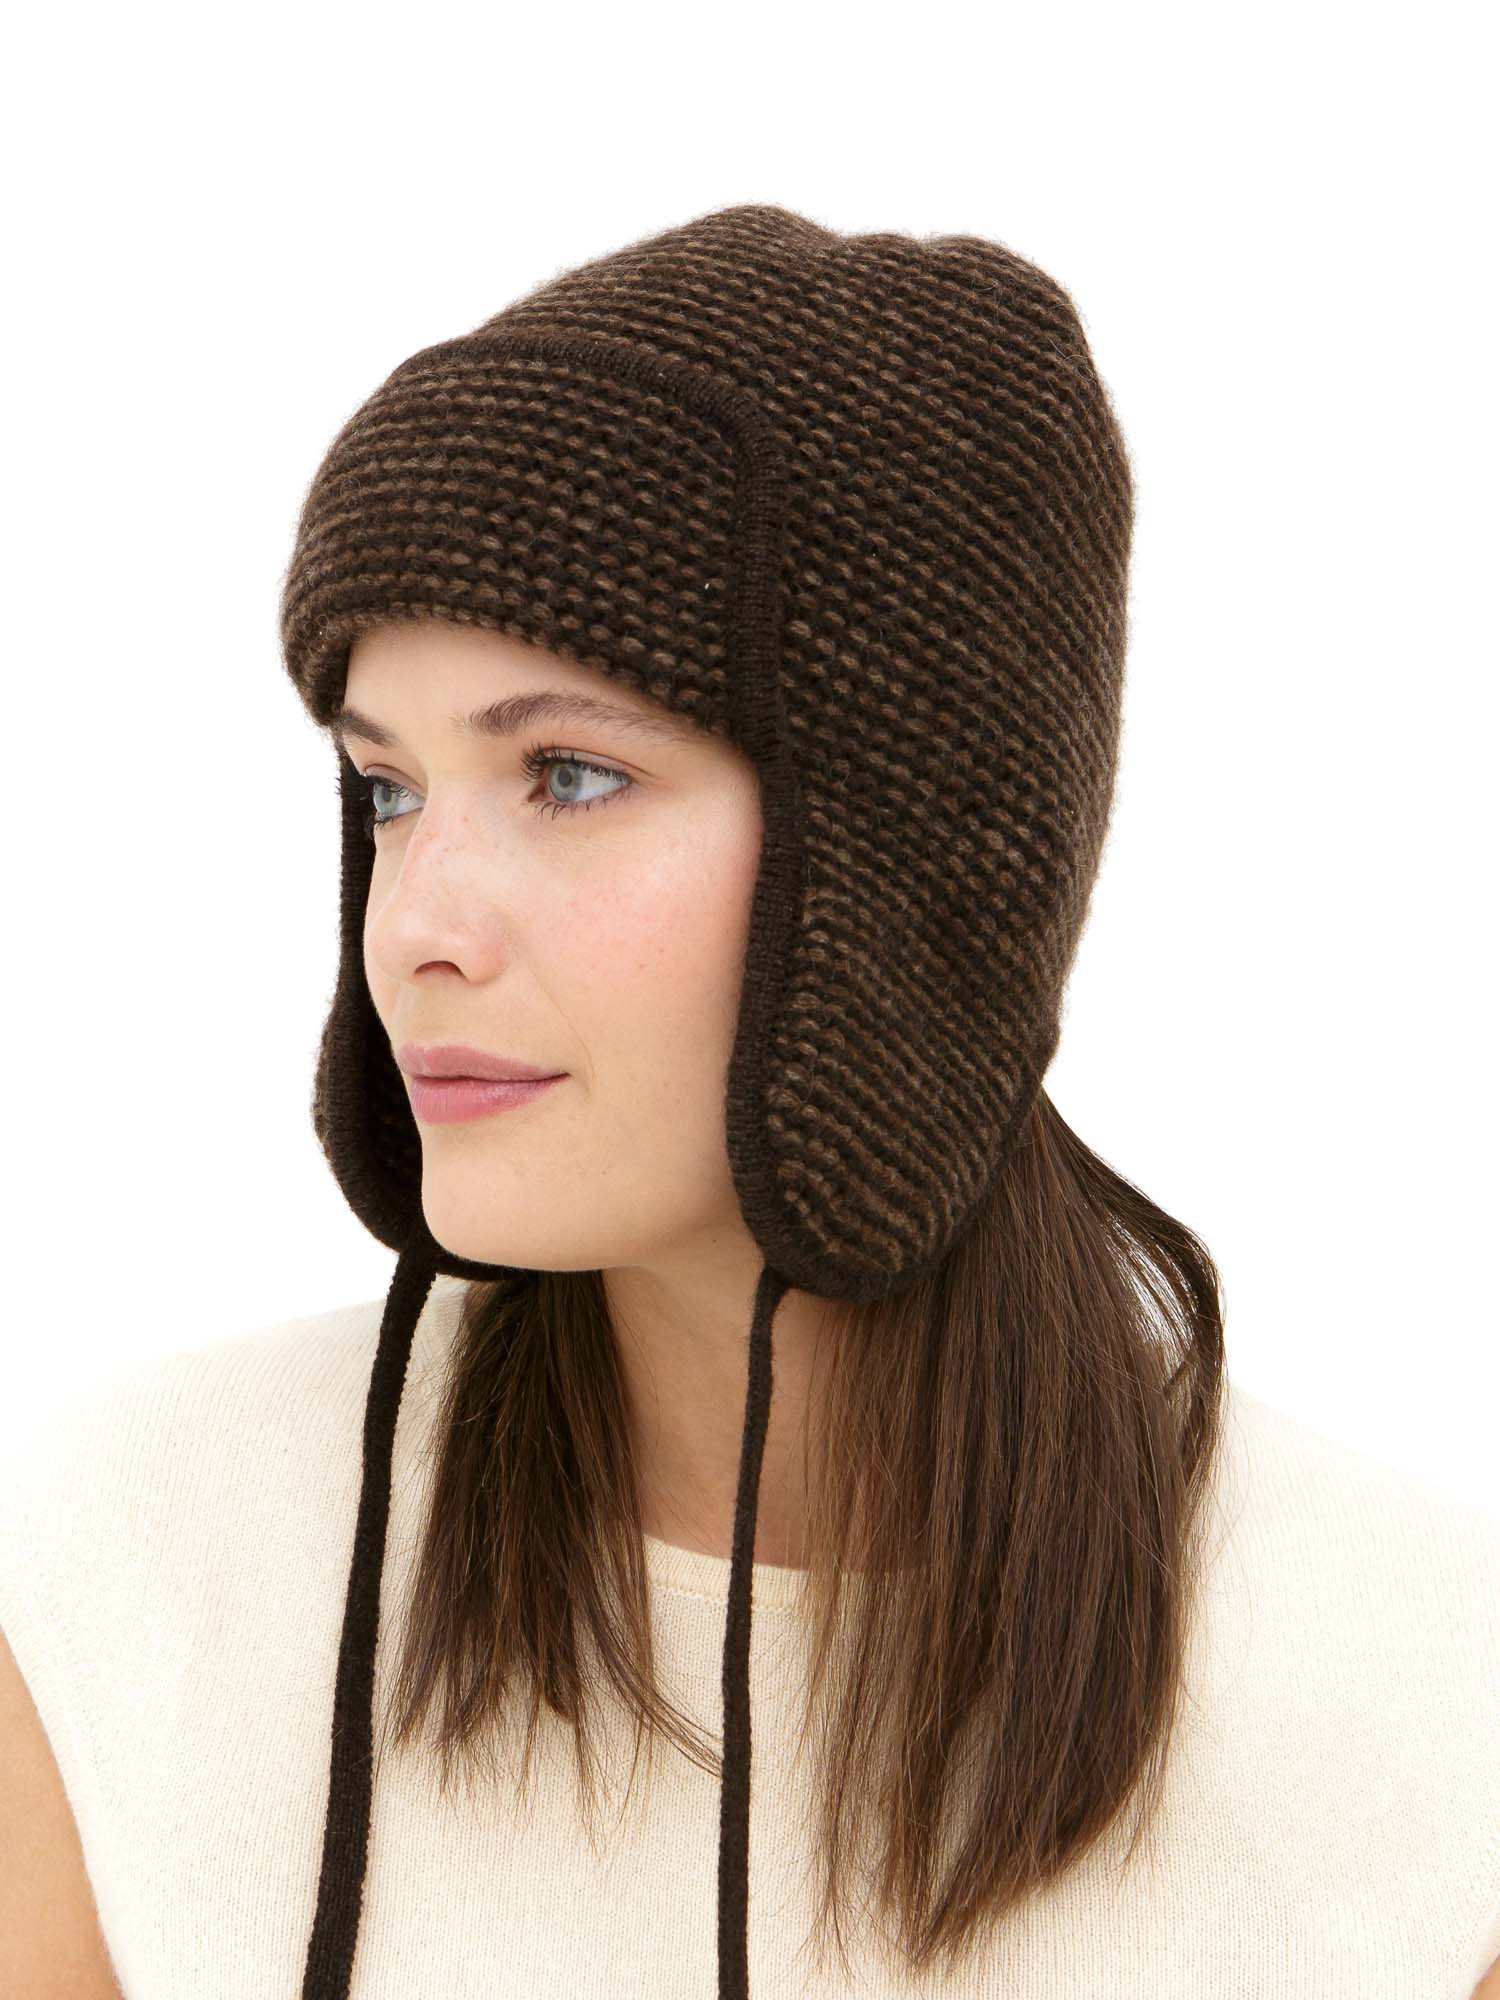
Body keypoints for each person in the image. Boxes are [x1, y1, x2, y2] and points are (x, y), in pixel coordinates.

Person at [3, 202, 1498, 1999]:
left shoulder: (1428, 1706)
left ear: (913, 859)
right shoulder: (126, 1565)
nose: (416, 930)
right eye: (388, 790)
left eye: (567, 774)